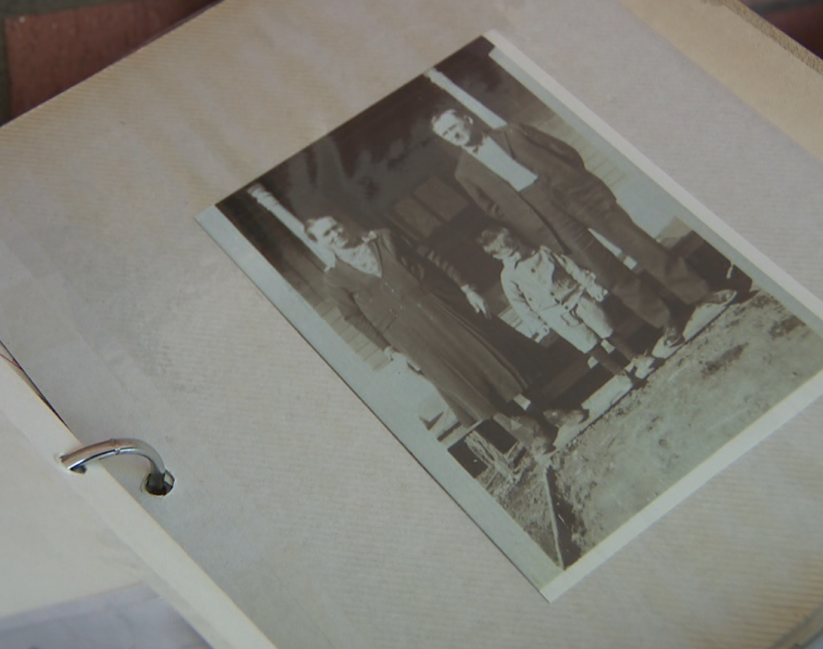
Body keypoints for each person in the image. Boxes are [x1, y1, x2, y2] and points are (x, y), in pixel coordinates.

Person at [431, 109, 734, 349]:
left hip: (577, 195)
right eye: (446, 134)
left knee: (640, 244)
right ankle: (665, 319)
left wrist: (574, 183)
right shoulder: (465, 173)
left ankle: (699, 292)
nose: (453, 134)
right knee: (605, 271)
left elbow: (565, 152)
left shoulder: (513, 131)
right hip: (544, 218)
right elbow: (492, 209)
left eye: (453, 126)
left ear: (467, 120)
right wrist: (526, 217)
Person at [304, 215, 584, 437]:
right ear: (321, 242)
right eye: (326, 233)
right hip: (409, 336)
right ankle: (532, 432)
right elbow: (354, 317)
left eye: (335, 226)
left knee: (493, 358)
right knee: (466, 383)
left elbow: (432, 258)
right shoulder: (335, 279)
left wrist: (467, 288)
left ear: (343, 224)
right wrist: (389, 350)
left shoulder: (384, 239)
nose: (335, 233)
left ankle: (554, 411)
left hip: (445, 308)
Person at [478, 226, 644, 386]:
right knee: (588, 343)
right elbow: (519, 304)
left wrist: (591, 285)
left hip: (576, 297)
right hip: (555, 315)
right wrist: (537, 324)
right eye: (510, 255)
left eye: (516, 248)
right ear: (498, 257)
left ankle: (634, 356)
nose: (517, 255)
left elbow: (570, 267)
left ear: (517, 240)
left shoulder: (542, 253)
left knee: (606, 328)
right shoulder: (508, 277)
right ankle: (619, 373)